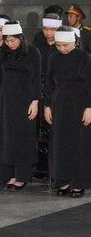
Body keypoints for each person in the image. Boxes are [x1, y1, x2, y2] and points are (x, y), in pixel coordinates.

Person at [0, 22, 41, 191]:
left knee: (23, 138)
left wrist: (35, 101)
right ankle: (8, 175)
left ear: (21, 38)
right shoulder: (1, 53)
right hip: (6, 99)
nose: (10, 44)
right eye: (7, 40)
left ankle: (21, 176)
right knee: (6, 139)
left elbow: (37, 79)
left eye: (13, 40)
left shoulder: (33, 52)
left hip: (25, 99)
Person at [44, 27, 91, 198]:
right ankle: (62, 181)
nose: (62, 48)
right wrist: (47, 106)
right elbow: (49, 83)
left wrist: (89, 108)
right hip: (59, 105)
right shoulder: (53, 58)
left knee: (79, 145)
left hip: (79, 106)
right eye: (58, 45)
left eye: (65, 45)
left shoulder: (84, 58)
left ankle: (78, 184)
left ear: (73, 42)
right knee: (60, 144)